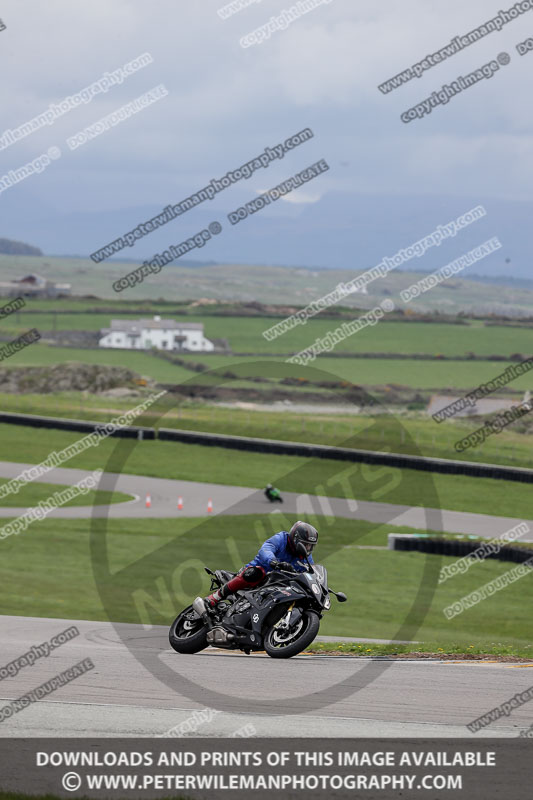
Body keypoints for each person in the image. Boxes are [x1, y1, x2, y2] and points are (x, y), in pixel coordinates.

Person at [196, 521, 318, 611]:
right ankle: (214, 597)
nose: (308, 548)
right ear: (296, 539)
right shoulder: (281, 539)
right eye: (305, 545)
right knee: (256, 573)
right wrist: (274, 562)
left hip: (277, 584)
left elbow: (309, 572)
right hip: (258, 573)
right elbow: (266, 549)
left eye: (310, 546)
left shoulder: (305, 557)